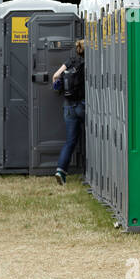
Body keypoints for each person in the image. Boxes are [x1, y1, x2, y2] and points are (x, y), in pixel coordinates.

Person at [52, 39, 86, 185]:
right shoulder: (91, 62)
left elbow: (55, 76)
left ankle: (60, 171)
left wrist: (58, 88)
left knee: (70, 141)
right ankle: (93, 172)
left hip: (69, 106)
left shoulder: (71, 61)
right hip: (84, 105)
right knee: (96, 137)